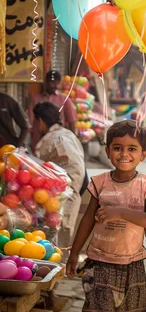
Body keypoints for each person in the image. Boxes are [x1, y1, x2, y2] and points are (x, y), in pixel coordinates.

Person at [66, 120, 146, 312]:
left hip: (132, 263)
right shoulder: (99, 183)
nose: (124, 154)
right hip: (100, 261)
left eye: (132, 149)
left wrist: (120, 212)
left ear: (143, 154)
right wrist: (74, 252)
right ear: (108, 152)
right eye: (118, 148)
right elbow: (87, 219)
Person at [33, 102, 85, 254]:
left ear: (40, 121)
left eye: (36, 122)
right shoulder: (69, 134)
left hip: (59, 192)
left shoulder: (47, 141)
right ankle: (60, 263)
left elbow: (37, 170)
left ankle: (57, 265)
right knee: (64, 227)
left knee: (54, 228)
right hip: (75, 187)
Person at [28, 70, 77, 152]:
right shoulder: (35, 99)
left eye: (56, 82)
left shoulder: (64, 99)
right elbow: (30, 121)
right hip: (38, 141)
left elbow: (71, 121)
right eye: (51, 82)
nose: (53, 85)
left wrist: (72, 141)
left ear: (59, 83)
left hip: (58, 142)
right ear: (46, 82)